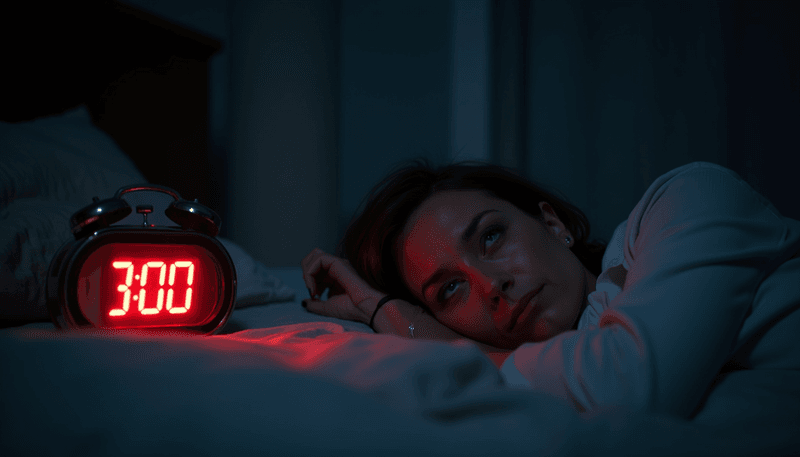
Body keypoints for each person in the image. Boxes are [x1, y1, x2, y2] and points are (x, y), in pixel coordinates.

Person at [301, 160, 800, 423]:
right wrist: (377, 308)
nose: (490, 284)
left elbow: (630, 386)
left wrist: (400, 319)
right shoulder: (571, 356)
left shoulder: (690, 198)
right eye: (450, 290)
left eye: (491, 236)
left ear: (553, 222)